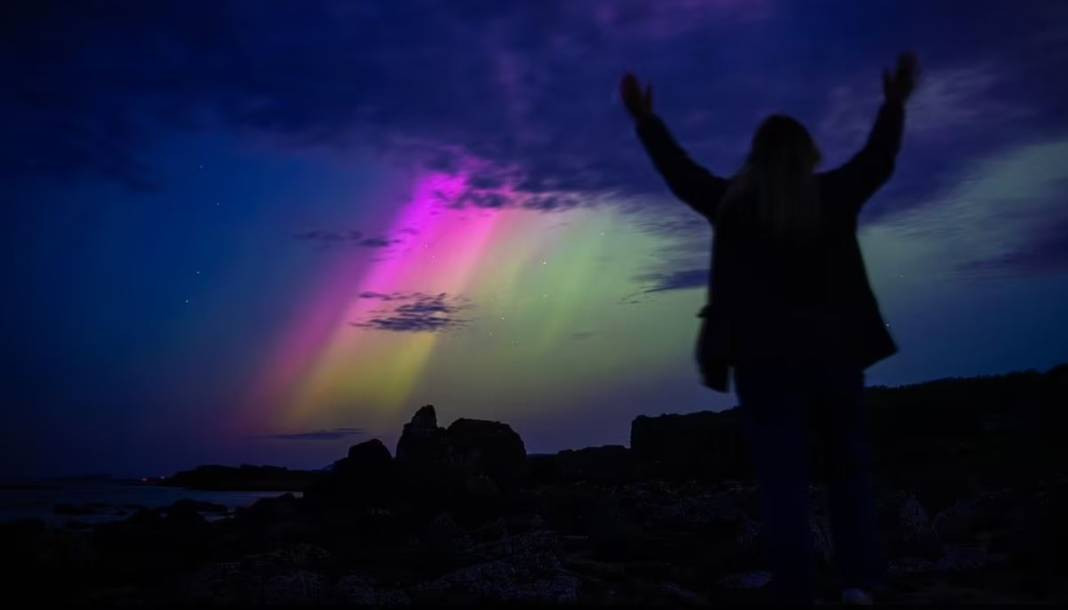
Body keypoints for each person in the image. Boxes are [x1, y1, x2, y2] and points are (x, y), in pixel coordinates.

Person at [621, 52, 920, 606]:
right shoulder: (831, 197)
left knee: (783, 483)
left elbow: (681, 174)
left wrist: (645, 121)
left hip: (764, 364)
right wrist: (895, 104)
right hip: (834, 356)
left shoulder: (732, 206)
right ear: (807, 155)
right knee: (848, 472)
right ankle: (859, 584)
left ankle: (797, 590)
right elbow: (878, 159)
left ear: (755, 157)